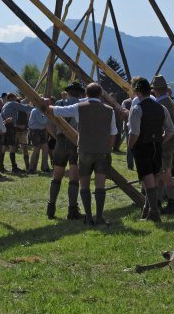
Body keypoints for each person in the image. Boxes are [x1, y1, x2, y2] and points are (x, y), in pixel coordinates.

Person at [51, 83, 117, 225]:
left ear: (86, 95)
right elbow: (113, 134)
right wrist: (107, 149)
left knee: (84, 185)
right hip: (102, 151)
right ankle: (99, 217)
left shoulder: (78, 108)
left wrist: (46, 104)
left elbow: (57, 111)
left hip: (84, 150)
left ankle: (88, 217)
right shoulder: (109, 110)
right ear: (100, 95)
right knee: (100, 185)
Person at [128, 78, 174, 222]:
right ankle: (147, 210)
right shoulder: (162, 108)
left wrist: (130, 148)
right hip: (157, 146)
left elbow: (134, 133)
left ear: (138, 93)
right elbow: (170, 130)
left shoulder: (137, 108)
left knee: (147, 180)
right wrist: (160, 140)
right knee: (155, 178)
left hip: (143, 146)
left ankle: (154, 213)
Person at [45, 81, 86, 220]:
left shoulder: (58, 105)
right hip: (75, 141)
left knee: (57, 175)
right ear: (80, 92)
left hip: (61, 142)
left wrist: (57, 138)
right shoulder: (82, 106)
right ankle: (72, 210)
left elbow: (48, 126)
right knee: (74, 177)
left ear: (67, 92)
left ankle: (51, 207)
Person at [151, 75, 174, 215]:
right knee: (162, 174)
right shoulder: (168, 101)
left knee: (165, 174)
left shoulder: (160, 104)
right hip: (171, 140)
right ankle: (159, 202)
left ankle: (172, 203)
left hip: (165, 142)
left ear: (155, 90)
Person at [1, 93, 32, 173]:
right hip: (11, 127)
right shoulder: (12, 103)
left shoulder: (5, 105)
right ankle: (14, 167)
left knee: (5, 146)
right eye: (15, 97)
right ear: (11, 97)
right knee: (12, 147)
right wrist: (36, 107)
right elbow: (25, 108)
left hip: (6, 127)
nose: (16, 98)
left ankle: (1, 166)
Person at [27, 103, 49, 175]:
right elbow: (43, 121)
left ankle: (45, 167)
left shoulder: (39, 110)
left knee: (45, 149)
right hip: (35, 132)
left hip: (42, 131)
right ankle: (31, 168)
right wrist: (47, 114)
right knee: (36, 150)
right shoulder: (35, 111)